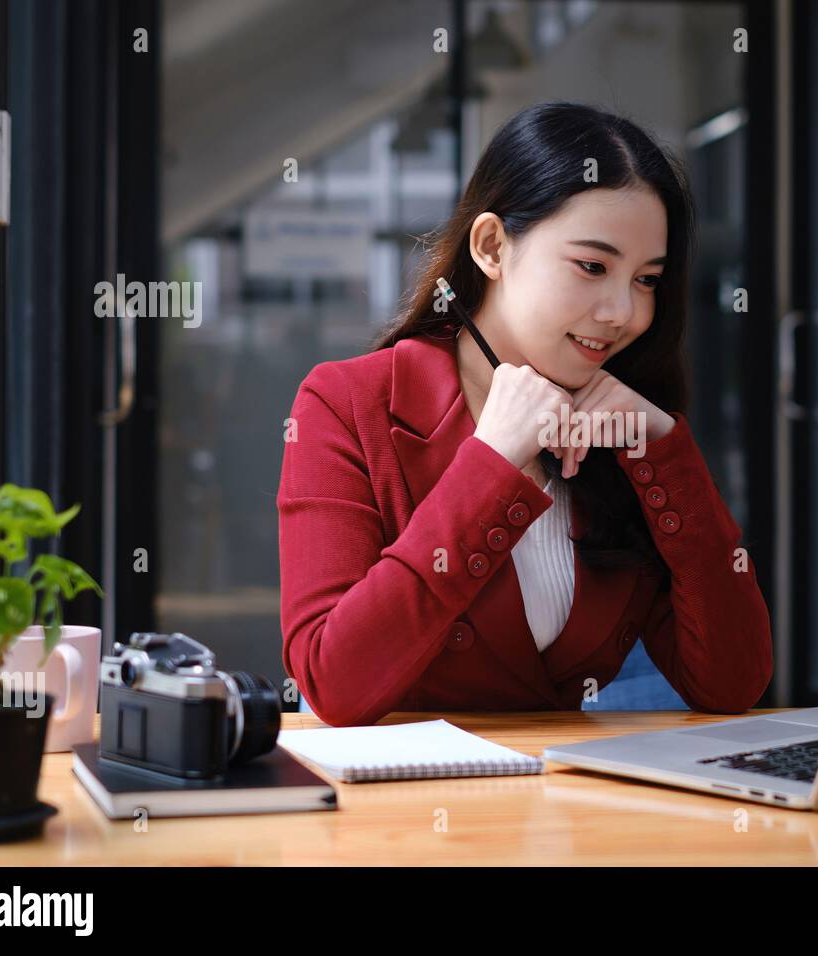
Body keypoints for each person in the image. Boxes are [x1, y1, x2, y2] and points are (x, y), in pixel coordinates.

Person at [277, 101, 772, 726]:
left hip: (565, 809)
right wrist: (491, 463)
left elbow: (732, 684)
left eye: (647, 279)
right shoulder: (347, 404)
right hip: (396, 815)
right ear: (491, 247)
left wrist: (667, 451)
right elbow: (333, 682)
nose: (624, 312)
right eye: (592, 266)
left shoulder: (622, 431)